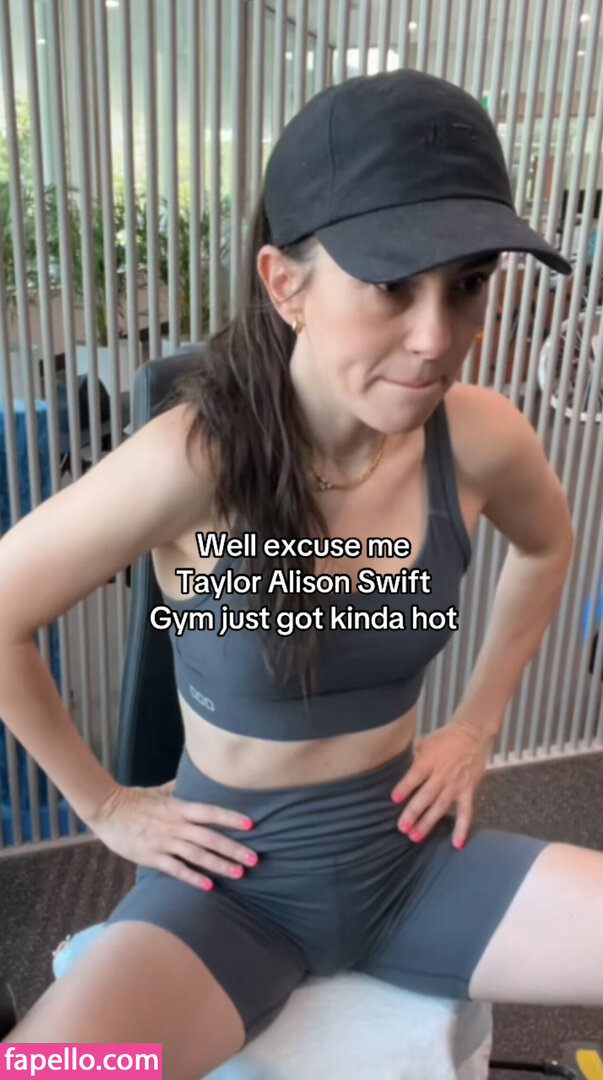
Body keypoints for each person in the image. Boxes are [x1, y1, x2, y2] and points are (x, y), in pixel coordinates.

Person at [2, 68, 602, 1080]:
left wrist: (477, 725)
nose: (437, 339)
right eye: (391, 286)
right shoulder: (191, 462)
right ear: (286, 284)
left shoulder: (480, 438)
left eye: (465, 285)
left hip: (412, 863)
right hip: (227, 893)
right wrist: (102, 806)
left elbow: (547, 547)